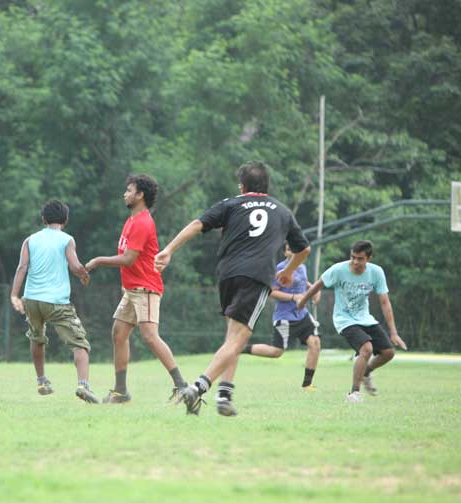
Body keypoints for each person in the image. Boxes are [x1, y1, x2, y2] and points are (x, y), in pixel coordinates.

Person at [154, 161, 310, 416]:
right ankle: (197, 388)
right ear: (267, 186)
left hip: (227, 275)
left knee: (233, 337)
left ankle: (224, 395)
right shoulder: (283, 211)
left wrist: (169, 250)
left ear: (242, 186)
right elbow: (304, 249)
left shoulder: (232, 203)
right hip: (257, 276)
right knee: (238, 338)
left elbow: (196, 224)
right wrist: (289, 271)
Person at [85, 174, 189, 403]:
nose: (125, 194)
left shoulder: (143, 222)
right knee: (118, 334)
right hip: (132, 289)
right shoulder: (132, 220)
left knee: (150, 337)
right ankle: (121, 391)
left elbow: (129, 259)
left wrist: (98, 261)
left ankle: (183, 386)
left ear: (140, 195)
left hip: (146, 288)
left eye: (129, 190)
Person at [10, 200, 99, 403]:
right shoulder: (66, 239)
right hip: (57, 302)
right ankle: (83, 386)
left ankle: (42, 381)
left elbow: (21, 268)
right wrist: (84, 275)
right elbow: (75, 265)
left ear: (43, 219)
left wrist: (14, 295)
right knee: (80, 344)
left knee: (36, 338)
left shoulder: (29, 240)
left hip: (31, 300)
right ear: (65, 220)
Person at [296, 240, 408, 403]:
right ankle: (354, 393)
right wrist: (303, 301)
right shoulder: (339, 270)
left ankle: (366, 372)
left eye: (360, 258)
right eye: (353, 257)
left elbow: (385, 302)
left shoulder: (376, 272)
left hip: (365, 319)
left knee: (388, 353)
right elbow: (318, 284)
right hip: (344, 320)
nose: (355, 262)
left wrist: (393, 332)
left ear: (368, 258)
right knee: (366, 348)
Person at [241, 243, 322, 390]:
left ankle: (307, 384)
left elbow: (304, 282)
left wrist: (314, 290)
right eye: (289, 249)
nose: (293, 252)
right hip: (285, 318)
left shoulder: (302, 267)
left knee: (315, 344)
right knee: (276, 352)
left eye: (295, 249)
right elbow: (271, 292)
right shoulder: (280, 269)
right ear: (285, 253)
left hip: (302, 315)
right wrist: (293, 297)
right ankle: (240, 348)